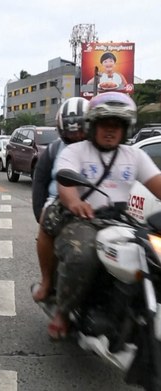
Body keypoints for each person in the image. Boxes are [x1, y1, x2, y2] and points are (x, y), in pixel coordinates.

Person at [47, 92, 161, 340]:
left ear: (125, 129)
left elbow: (157, 183)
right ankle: (63, 312)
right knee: (82, 255)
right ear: (93, 126)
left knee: (150, 257)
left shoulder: (135, 156)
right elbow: (65, 182)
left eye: (117, 126)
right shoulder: (76, 151)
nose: (111, 131)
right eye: (105, 125)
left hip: (121, 222)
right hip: (82, 220)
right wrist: (75, 202)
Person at [31, 97, 89, 304]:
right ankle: (47, 282)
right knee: (47, 226)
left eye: (80, 131)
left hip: (96, 206)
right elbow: (40, 180)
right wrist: (40, 212)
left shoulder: (101, 149)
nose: (76, 136)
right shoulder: (55, 150)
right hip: (58, 203)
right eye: (71, 132)